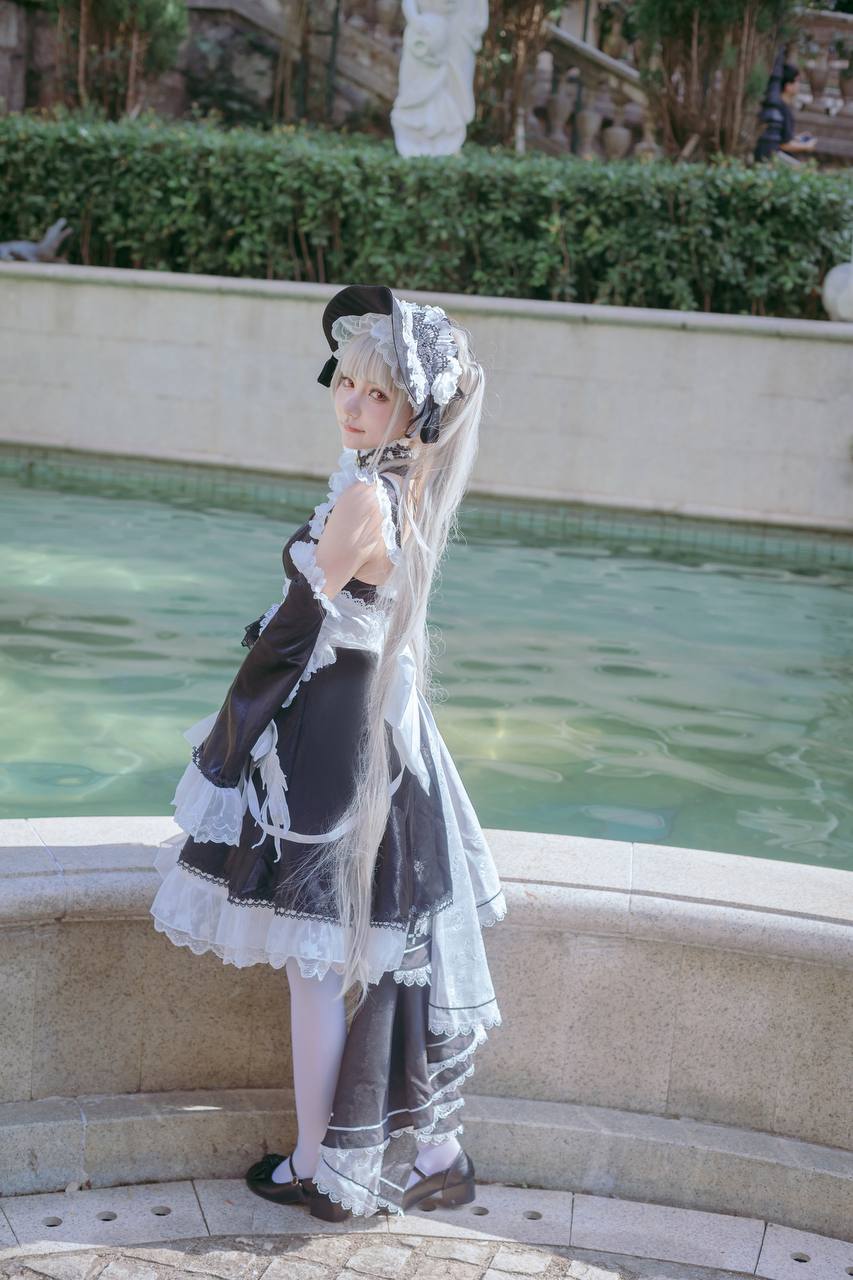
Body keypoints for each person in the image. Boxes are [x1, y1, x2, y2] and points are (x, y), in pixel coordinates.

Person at [148, 284, 508, 1221]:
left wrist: (224, 747)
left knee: (315, 970)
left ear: (411, 411)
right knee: (362, 960)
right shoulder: (403, 487)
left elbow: (289, 635)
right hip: (365, 739)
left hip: (332, 753)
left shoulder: (365, 498)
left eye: (376, 393)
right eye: (344, 382)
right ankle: (423, 1151)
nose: (350, 403)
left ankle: (319, 1164)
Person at [754, 63, 818, 163]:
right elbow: (783, 145)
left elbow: (783, 138)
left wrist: (797, 138)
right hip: (774, 158)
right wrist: (806, 146)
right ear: (788, 85)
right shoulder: (779, 108)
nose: (798, 85)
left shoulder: (781, 106)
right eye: (797, 81)